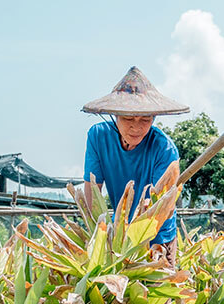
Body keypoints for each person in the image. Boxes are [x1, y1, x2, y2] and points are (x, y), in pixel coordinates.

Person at [81, 66, 189, 266]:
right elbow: (92, 190)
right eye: (128, 118)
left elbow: (160, 206)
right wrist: (94, 233)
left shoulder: (164, 150)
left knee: (157, 291)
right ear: (115, 116)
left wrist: (144, 246)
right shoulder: (98, 137)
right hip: (118, 237)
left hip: (157, 236)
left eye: (145, 120)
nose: (136, 127)